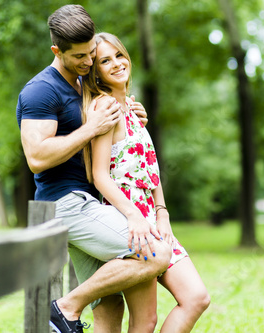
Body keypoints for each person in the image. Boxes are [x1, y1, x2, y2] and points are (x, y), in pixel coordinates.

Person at [16, 5, 171, 333]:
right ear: (57, 51)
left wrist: (130, 120)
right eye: (80, 57)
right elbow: (37, 157)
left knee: (110, 304)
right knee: (156, 253)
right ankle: (64, 307)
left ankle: (66, 309)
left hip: (93, 202)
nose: (88, 62)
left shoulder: (83, 83)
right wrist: (91, 128)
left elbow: (106, 130)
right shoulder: (41, 90)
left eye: (91, 54)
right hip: (65, 203)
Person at [81, 32, 210, 333]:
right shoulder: (105, 108)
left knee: (196, 298)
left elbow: (150, 168)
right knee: (145, 320)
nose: (115, 63)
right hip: (129, 218)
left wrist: (162, 213)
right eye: (104, 61)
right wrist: (134, 217)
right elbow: (100, 176)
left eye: (119, 55)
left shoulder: (131, 108)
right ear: (96, 72)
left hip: (153, 216)